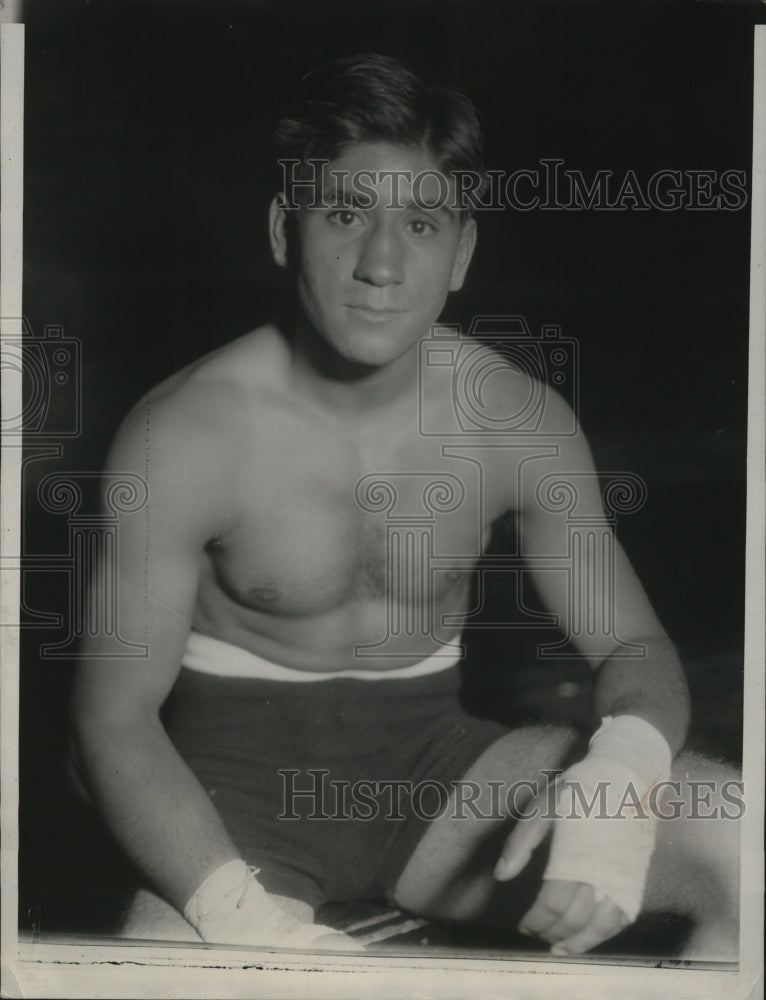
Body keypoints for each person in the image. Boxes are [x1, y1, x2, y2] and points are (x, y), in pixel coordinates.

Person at [70, 53, 740, 958]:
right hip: (225, 806)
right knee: (155, 979)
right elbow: (111, 722)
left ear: (460, 251)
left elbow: (634, 647)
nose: (381, 263)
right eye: (345, 214)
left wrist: (621, 769)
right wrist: (241, 916)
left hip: (434, 775)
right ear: (284, 230)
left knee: (742, 843)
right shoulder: (184, 433)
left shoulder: (516, 421)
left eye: (420, 223)